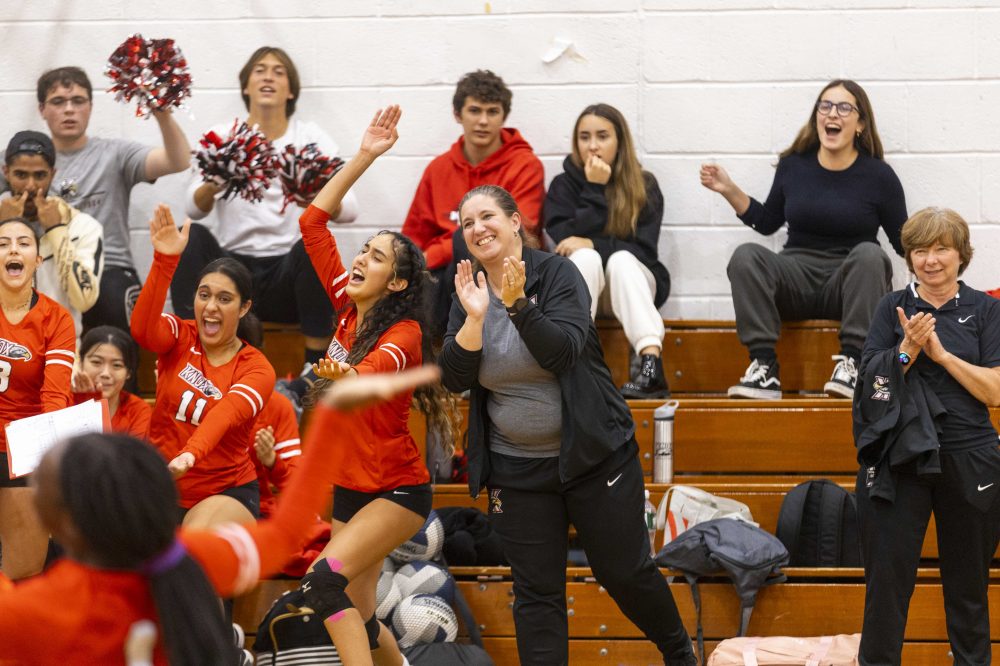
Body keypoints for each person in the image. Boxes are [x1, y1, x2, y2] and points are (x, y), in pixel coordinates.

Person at [0, 365, 441, 664]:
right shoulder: (187, 560)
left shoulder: (31, 611)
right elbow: (289, 530)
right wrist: (332, 418)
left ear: (58, 522)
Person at [439, 185, 696, 665]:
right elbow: (454, 378)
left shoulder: (559, 274)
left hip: (595, 458)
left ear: (516, 222)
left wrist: (518, 304)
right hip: (516, 470)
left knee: (624, 572)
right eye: (467, 222)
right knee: (537, 592)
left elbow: (562, 351)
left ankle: (679, 652)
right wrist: (474, 320)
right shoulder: (467, 287)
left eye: (487, 216)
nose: (477, 228)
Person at [296, 106, 456, 666]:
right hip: (350, 487)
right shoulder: (346, 307)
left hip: (397, 492)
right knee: (358, 616)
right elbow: (312, 223)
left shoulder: (405, 331)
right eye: (363, 249)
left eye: (377, 256)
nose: (361, 258)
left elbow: (374, 374)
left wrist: (342, 375)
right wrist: (365, 153)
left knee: (323, 584)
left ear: (399, 281)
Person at [853, 207, 1000, 666]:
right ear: (909, 256)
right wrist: (906, 350)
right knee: (887, 590)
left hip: (971, 457)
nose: (931, 260)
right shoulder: (890, 307)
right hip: (900, 460)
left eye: (941, 249)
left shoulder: (986, 310)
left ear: (961, 254)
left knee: (969, 590)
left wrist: (941, 356)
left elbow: (995, 392)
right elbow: (870, 386)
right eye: (920, 250)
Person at [700, 79, 907, 399]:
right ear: (816, 117)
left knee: (870, 255)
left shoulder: (879, 176)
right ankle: (764, 368)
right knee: (745, 255)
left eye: (843, 107)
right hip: (795, 278)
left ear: (861, 123)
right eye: (825, 106)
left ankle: (853, 365)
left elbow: (902, 242)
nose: (831, 114)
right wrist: (728, 189)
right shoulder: (794, 165)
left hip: (848, 284)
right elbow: (767, 222)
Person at [174, 46, 358, 394]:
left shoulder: (311, 139)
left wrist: (317, 200)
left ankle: (314, 367)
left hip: (288, 276)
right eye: (260, 70)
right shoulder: (223, 136)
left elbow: (350, 209)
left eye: (279, 71)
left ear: (290, 90)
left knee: (312, 243)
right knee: (192, 235)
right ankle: (190, 355)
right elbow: (194, 207)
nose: (269, 76)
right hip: (233, 273)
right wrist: (218, 179)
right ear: (246, 86)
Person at [0, 67, 191, 332]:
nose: (69, 109)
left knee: (110, 301)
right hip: (44, 269)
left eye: (78, 101)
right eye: (58, 102)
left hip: (110, 269)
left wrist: (161, 112)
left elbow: (179, 160)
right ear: (42, 109)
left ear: (90, 106)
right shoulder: (18, 159)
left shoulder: (114, 154)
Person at [131, 204, 275, 529]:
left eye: (224, 299)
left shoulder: (257, 368)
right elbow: (141, 329)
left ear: (244, 308)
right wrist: (165, 260)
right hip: (164, 489)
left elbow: (224, 413)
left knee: (192, 546)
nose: (210, 307)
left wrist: (190, 454)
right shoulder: (180, 334)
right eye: (204, 295)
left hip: (225, 492)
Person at [402, 69, 545, 335]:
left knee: (458, 248)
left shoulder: (525, 165)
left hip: (507, 265)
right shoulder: (439, 168)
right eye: (475, 110)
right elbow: (413, 237)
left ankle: (449, 358)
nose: (483, 121)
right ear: (458, 115)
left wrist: (434, 253)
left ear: (503, 116)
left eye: (492, 112)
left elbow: (521, 230)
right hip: (445, 274)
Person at [543, 103, 671, 398]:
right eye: (584, 137)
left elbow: (645, 251)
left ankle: (650, 366)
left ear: (620, 141)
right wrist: (594, 189)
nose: (593, 146)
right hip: (585, 289)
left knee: (622, 260)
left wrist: (593, 243)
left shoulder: (644, 185)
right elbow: (564, 243)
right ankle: (573, 364)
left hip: (631, 287)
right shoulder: (563, 186)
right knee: (584, 258)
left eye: (602, 136)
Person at [0, 217, 75, 580]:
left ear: (38, 260)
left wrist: (50, 460)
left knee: (25, 569)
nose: (13, 249)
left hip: (23, 449)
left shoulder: (57, 319)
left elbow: (55, 394)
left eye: (23, 243)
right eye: (3, 243)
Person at [0, 130, 104, 337]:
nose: (30, 186)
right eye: (21, 175)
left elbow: (84, 300)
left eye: (39, 175)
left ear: (53, 174)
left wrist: (57, 232)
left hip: (60, 348)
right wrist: (5, 227)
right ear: (6, 172)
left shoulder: (83, 226)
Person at [72, 325, 151, 439]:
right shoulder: (63, 403)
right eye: (96, 362)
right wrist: (85, 400)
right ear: (80, 363)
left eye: (117, 365)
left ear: (128, 372)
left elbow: (125, 456)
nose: (105, 373)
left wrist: (95, 400)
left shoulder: (138, 411)